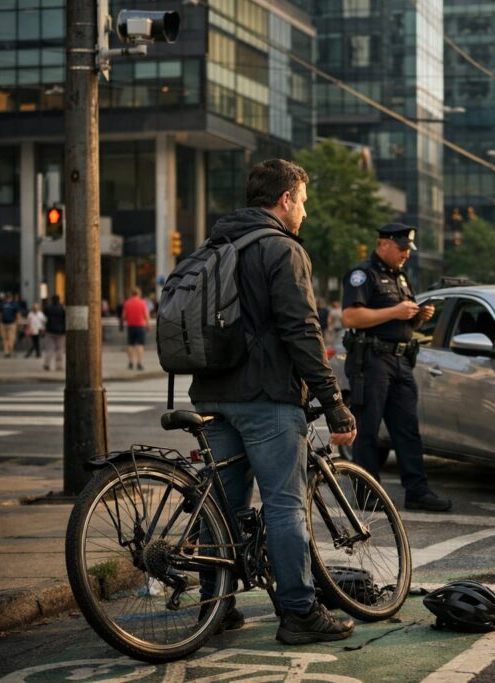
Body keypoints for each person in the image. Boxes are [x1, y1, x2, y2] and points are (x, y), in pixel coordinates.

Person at [189, 158, 359, 645]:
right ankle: (300, 613)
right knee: (285, 507)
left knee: (221, 506)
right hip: (266, 398)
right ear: (285, 200)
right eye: (302, 201)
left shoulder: (214, 245)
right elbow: (302, 330)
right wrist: (333, 402)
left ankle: (214, 607)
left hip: (211, 394)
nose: (304, 211)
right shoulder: (281, 250)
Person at [341, 223, 452, 512]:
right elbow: (351, 317)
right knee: (367, 429)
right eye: (401, 248)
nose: (406, 254)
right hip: (372, 361)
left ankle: (417, 491)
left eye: (408, 249)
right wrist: (396, 311)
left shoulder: (401, 277)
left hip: (401, 360)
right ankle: (367, 494)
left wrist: (417, 318)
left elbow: (399, 320)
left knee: (408, 430)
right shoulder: (362, 274)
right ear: (384, 244)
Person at [121, 288, 150, 370]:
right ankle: (139, 363)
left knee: (131, 344)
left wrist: (122, 324)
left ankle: (130, 362)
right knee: (140, 345)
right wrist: (148, 325)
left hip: (131, 326)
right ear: (139, 294)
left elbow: (123, 316)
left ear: (131, 294)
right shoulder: (142, 303)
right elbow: (146, 316)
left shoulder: (127, 303)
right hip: (140, 326)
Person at [43, 295, 66, 371]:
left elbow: (45, 314)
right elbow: (64, 319)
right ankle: (59, 366)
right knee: (60, 349)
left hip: (50, 330)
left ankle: (47, 364)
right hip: (60, 331)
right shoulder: (61, 309)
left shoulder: (48, 308)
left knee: (49, 348)